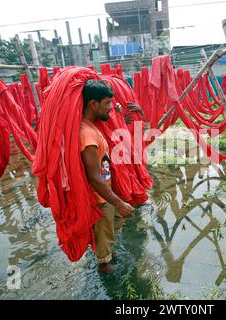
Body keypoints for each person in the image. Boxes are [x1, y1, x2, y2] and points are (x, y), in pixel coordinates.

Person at [80, 80, 135, 273]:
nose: (110, 107)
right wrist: (119, 202)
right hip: (100, 197)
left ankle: (107, 253)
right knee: (104, 232)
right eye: (106, 103)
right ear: (93, 104)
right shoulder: (86, 134)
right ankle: (104, 266)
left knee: (114, 224)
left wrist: (117, 111)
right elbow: (94, 178)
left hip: (107, 192)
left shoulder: (93, 126)